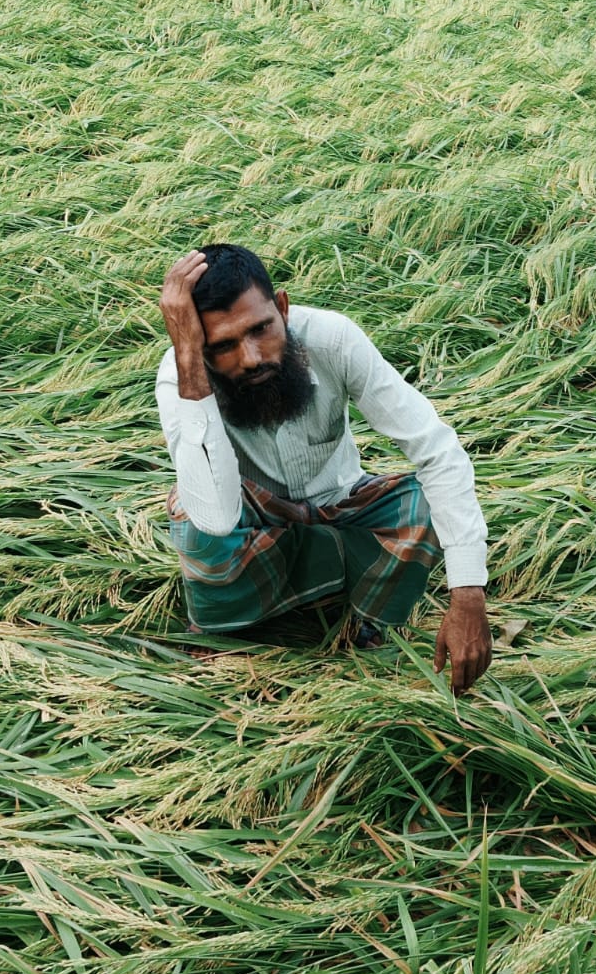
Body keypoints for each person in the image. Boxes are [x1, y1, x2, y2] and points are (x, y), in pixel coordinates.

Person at [155, 243, 492, 694]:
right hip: (247, 521)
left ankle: (364, 624)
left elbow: (436, 449)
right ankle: (222, 630)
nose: (251, 357)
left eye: (260, 329)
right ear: (198, 343)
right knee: (191, 516)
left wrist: (468, 593)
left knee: (424, 503)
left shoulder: (334, 339)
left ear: (283, 308)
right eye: (224, 346)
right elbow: (215, 517)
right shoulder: (183, 375)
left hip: (338, 508)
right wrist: (191, 363)